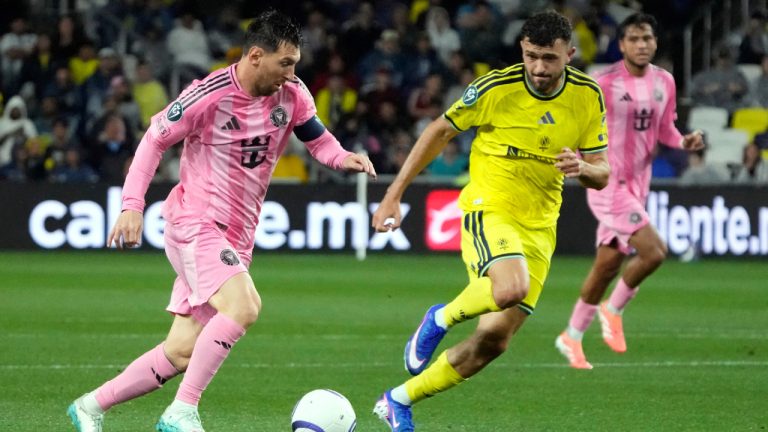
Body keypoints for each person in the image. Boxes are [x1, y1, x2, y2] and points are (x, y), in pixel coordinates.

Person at [66, 10, 375, 432]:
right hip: (195, 223)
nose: (291, 73)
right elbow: (154, 140)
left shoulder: (293, 94)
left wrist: (344, 158)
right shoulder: (207, 95)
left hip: (237, 236)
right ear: (255, 56)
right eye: (285, 63)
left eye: (295, 64)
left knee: (180, 352)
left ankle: (90, 406)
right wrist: (132, 205)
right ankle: (182, 410)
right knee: (244, 306)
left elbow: (318, 140)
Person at [370, 11, 611, 431]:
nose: (539, 67)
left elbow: (602, 173)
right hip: (491, 207)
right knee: (511, 287)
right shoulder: (495, 88)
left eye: (550, 58)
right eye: (532, 56)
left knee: (493, 341)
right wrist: (394, 194)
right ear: (522, 50)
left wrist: (583, 168)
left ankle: (398, 400)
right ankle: (440, 318)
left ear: (570, 54)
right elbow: (439, 131)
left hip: (540, 226)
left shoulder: (588, 95)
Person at [555, 13, 704, 370]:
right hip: (607, 182)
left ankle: (571, 335)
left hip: (639, 185)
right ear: (621, 45)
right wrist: (579, 161)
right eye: (634, 39)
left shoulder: (664, 81)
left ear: (655, 42)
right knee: (654, 252)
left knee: (607, 266)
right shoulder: (603, 82)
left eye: (647, 38)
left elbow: (665, 128)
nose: (641, 45)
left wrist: (683, 141)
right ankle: (613, 308)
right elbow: (578, 123)